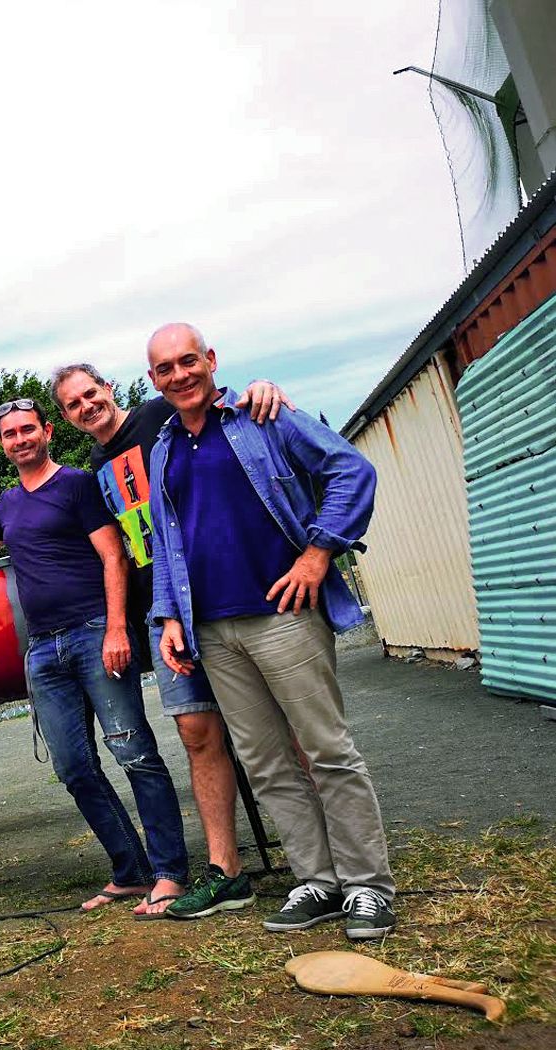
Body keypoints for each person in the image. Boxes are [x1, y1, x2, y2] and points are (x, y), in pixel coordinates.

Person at [145, 322, 396, 941]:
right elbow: (166, 540)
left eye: (188, 361)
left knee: (327, 750)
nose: (179, 376)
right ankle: (316, 880)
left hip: (284, 616)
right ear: (153, 380)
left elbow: (351, 471)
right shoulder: (163, 449)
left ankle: (368, 886)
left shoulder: (263, 416)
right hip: (214, 630)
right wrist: (171, 616)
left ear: (210, 360)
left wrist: (318, 555)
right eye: (165, 369)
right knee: (264, 762)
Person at [0, 401, 188, 918]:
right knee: (74, 767)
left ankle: (169, 873)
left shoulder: (75, 485)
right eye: (10, 434)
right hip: (43, 652)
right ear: (3, 444)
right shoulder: (8, 503)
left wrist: (118, 627)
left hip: (95, 635)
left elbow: (113, 556)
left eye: (28, 429)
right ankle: (131, 872)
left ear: (47, 431)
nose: (20, 439)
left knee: (135, 754)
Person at [52, 364, 292, 919]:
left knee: (280, 725)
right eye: (74, 404)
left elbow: (224, 412)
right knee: (196, 733)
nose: (87, 406)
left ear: (109, 389)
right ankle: (226, 870)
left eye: (92, 394)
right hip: (162, 616)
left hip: (216, 593)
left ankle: (324, 857)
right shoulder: (95, 467)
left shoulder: (159, 416)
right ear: (67, 417)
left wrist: (263, 389)